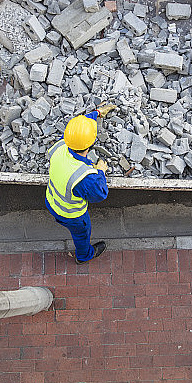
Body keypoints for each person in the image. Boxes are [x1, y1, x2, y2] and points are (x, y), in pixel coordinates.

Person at [44, 103, 116, 264]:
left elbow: (79, 131)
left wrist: (97, 113)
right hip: (70, 214)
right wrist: (101, 171)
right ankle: (84, 256)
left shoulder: (61, 146)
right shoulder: (84, 177)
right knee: (82, 234)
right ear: (90, 146)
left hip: (51, 200)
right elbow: (100, 193)